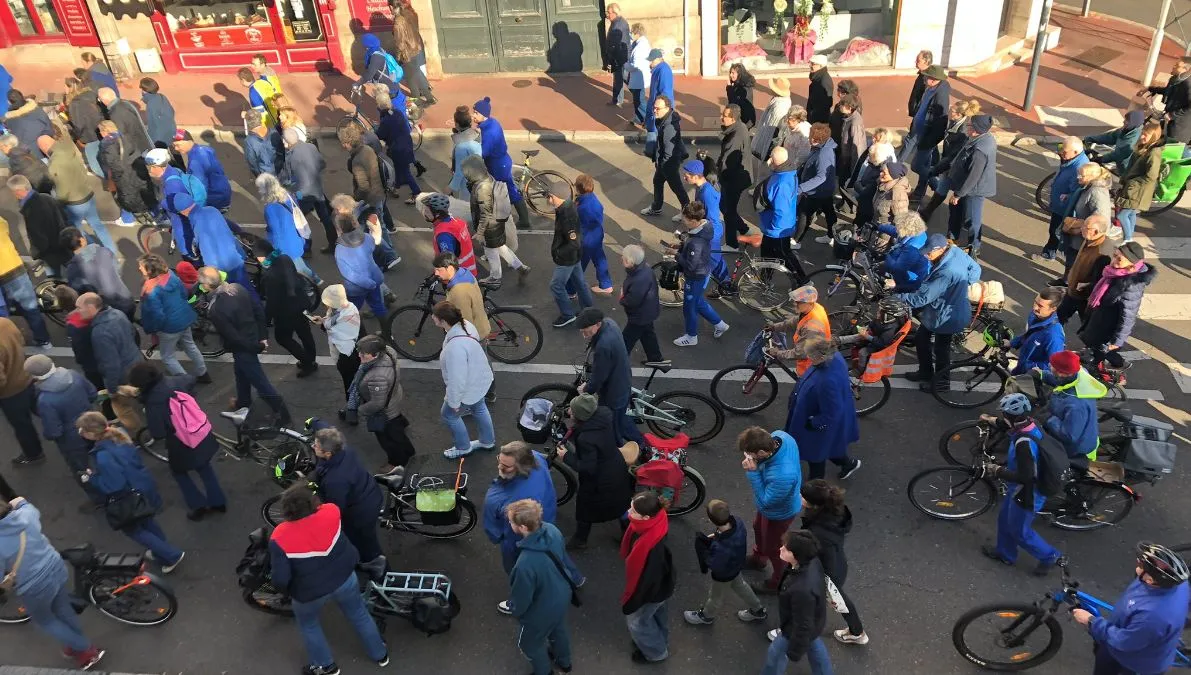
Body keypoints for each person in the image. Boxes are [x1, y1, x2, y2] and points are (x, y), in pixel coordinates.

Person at [268, 485, 389, 675]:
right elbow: (323, 504)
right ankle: (380, 654)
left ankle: (327, 666)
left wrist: (285, 591)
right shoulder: (331, 513)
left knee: (309, 625)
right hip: (345, 578)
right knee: (359, 614)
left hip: (309, 592)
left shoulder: (280, 536)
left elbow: (281, 578)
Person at [0, 496, 106, 669]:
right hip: (55, 567)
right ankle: (74, 645)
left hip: (34, 586)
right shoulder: (25, 515)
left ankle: (86, 649)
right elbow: (21, 501)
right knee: (63, 608)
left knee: (46, 621)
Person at [77, 412, 185, 571]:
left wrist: (92, 478)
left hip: (129, 496)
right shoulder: (120, 436)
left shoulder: (103, 457)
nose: (80, 432)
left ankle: (170, 555)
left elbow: (114, 485)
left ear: (92, 434)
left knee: (134, 530)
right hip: (144, 485)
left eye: (82, 430)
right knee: (148, 521)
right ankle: (160, 550)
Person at [126, 362, 226, 520]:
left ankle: (198, 505)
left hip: (182, 443)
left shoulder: (153, 400)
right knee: (205, 469)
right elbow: (190, 379)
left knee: (179, 472)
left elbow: (157, 432)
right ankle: (218, 502)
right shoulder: (175, 381)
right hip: (201, 431)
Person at [1073, 541, 1190, 675]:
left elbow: (1124, 642)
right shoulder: (1178, 585)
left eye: (1141, 564)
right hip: (1132, 638)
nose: (1137, 562)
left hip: (1131, 663)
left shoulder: (1152, 616)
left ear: (1150, 579)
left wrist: (1091, 621)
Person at [978, 394, 1063, 576]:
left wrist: (997, 470)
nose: (1002, 416)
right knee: (1004, 519)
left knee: (1020, 531)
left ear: (1012, 417)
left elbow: (1026, 476)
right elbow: (1007, 426)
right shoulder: (1030, 423)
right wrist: (990, 420)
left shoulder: (1024, 444)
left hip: (1027, 493)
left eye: (1004, 414)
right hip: (1016, 489)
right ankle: (1005, 553)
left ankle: (1050, 556)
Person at [198, 267, 288, 423]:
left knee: (261, 383)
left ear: (207, 286)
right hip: (252, 337)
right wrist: (262, 337)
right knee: (241, 373)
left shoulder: (215, 308)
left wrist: (256, 347)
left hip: (243, 347)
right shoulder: (238, 288)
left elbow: (233, 337)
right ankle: (243, 401)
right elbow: (258, 310)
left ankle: (283, 414)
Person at [899, 234, 982, 390]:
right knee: (921, 339)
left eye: (929, 253)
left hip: (946, 316)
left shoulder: (946, 271)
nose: (926, 255)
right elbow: (976, 270)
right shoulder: (956, 252)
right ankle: (925, 372)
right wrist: (962, 285)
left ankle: (942, 383)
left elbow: (923, 298)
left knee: (940, 348)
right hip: (949, 309)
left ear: (941, 249)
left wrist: (899, 297)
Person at [505, 498, 575, 675]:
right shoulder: (552, 530)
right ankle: (564, 662)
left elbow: (521, 599)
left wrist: (515, 611)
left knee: (529, 645)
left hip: (541, 609)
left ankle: (544, 672)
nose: (509, 523)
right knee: (557, 629)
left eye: (511, 521)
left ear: (523, 528)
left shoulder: (524, 564)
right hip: (561, 595)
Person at [484, 443, 562, 598]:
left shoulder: (516, 504)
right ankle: (573, 578)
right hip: (547, 518)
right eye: (500, 460)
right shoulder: (535, 457)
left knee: (519, 570)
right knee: (555, 556)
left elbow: (504, 534)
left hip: (517, 541)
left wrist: (498, 537)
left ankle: (521, 596)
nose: (500, 467)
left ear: (521, 466)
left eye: (507, 466)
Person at [557, 394, 634, 548]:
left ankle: (580, 540)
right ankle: (628, 536)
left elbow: (587, 468)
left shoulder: (586, 439)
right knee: (620, 504)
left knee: (586, 507)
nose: (569, 412)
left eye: (572, 411)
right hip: (616, 467)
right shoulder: (603, 416)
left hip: (601, 479)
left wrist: (566, 457)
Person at [307, 421, 386, 563]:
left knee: (365, 542)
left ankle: (377, 568)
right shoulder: (343, 449)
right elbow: (327, 428)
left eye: (317, 446)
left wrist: (315, 491)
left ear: (328, 453)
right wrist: (314, 422)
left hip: (361, 513)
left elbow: (335, 507)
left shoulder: (335, 480)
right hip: (369, 492)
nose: (313, 446)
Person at [784, 336, 861, 482]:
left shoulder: (827, 381)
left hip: (817, 424)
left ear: (821, 356)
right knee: (830, 446)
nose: (808, 358)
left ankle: (815, 485)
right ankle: (847, 464)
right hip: (822, 420)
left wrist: (814, 423)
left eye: (810, 356)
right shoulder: (835, 358)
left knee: (815, 455)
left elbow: (832, 412)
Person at [736, 426, 801, 595]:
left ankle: (777, 582)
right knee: (758, 527)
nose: (748, 457)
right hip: (773, 508)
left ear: (763, 452)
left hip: (780, 513)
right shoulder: (780, 436)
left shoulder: (782, 474)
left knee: (776, 548)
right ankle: (759, 559)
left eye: (751, 454)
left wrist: (753, 473)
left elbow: (766, 502)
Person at [800, 480, 867, 646]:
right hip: (838, 564)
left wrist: (824, 581)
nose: (799, 497)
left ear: (813, 504)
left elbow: (823, 556)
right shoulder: (835, 512)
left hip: (827, 572)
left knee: (808, 601)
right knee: (838, 600)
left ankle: (792, 631)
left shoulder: (819, 531)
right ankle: (856, 631)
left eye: (802, 496)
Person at [24, 355, 97, 501]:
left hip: (72, 440)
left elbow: (54, 431)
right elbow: (93, 394)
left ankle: (97, 497)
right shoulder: (74, 375)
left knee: (81, 469)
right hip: (93, 425)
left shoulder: (45, 400)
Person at [761, 530, 834, 675]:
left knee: (775, 654)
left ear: (797, 556)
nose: (781, 549)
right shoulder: (812, 562)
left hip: (793, 629)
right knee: (813, 641)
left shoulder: (802, 591)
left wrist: (795, 652)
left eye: (787, 549)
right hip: (814, 621)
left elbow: (802, 625)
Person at [684, 498, 767, 626]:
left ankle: (706, 616)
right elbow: (723, 536)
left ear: (712, 520)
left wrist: (705, 551)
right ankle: (758, 609)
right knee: (741, 586)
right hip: (735, 565)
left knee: (715, 596)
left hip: (724, 575)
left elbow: (714, 564)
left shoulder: (722, 549)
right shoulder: (737, 523)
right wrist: (716, 537)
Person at [1078, 242, 1156, 371]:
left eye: (1119, 259)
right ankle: (1098, 362)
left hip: (1108, 326)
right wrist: (1088, 287)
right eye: (1114, 256)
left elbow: (1128, 317)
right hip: (1100, 318)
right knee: (1096, 345)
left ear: (1132, 264)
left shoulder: (1131, 286)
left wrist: (1118, 341)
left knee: (1103, 350)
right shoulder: (1115, 273)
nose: (1113, 261)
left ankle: (1107, 368)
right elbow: (1104, 290)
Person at [432, 301, 496, 459]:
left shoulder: (454, 348)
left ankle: (463, 447)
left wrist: (454, 403)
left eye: (435, 316)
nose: (432, 317)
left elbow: (456, 379)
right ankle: (487, 441)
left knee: (448, 415)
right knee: (479, 408)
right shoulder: (466, 325)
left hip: (468, 386)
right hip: (479, 379)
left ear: (443, 321)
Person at [576, 308, 643, 446]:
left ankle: (624, 449)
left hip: (614, 392)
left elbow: (599, 377)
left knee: (615, 426)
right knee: (621, 418)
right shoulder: (610, 323)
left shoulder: (603, 346)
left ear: (597, 324)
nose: (584, 335)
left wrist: (587, 389)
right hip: (623, 379)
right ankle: (641, 443)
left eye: (585, 331)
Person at [137, 254, 209, 381]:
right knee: (190, 346)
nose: (139, 268)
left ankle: (185, 381)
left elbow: (155, 314)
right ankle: (203, 373)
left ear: (149, 270)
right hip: (185, 318)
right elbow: (184, 294)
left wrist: (152, 329)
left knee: (168, 356)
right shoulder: (171, 276)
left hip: (169, 327)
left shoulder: (150, 290)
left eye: (141, 267)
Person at [622, 491, 675, 664]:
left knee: (637, 622)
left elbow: (647, 580)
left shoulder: (651, 546)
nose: (629, 512)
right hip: (662, 587)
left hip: (651, 592)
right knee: (657, 615)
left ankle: (655, 652)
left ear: (645, 517)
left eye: (633, 511)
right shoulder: (657, 521)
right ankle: (659, 640)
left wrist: (635, 601)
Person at [76, 292, 143, 427]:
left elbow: (110, 365)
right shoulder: (118, 314)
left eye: (79, 308)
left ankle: (142, 436)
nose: (77, 312)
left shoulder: (100, 332)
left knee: (123, 409)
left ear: (91, 308)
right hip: (136, 363)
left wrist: (112, 389)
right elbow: (133, 333)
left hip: (122, 375)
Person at [352, 335, 416, 474]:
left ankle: (396, 462)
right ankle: (409, 451)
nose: (359, 356)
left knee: (388, 439)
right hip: (393, 398)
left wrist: (361, 409)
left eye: (364, 354)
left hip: (386, 411)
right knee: (397, 430)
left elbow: (377, 403)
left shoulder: (377, 376)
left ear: (375, 355)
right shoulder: (388, 352)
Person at [42, 136, 116, 254]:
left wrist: (59, 203)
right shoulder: (68, 150)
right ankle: (111, 250)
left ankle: (92, 255)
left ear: (44, 148)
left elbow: (62, 189)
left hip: (74, 203)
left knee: (77, 233)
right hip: (87, 194)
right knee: (98, 225)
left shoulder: (55, 164)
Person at [669, 201, 729, 346]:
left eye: (685, 219)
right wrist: (681, 247)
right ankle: (719, 324)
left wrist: (676, 254)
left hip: (695, 276)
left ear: (694, 221)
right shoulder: (704, 228)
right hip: (703, 272)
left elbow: (691, 264)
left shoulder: (696, 242)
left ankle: (691, 336)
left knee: (689, 307)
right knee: (698, 301)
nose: (683, 221)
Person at [254, 240, 318, 377]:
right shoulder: (284, 258)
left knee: (282, 337)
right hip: (301, 303)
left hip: (286, 312)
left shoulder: (269, 275)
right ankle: (311, 359)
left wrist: (266, 320)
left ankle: (307, 362)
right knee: (305, 333)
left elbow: (272, 301)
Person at [338, 124, 398, 266]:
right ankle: (390, 251)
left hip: (369, 199)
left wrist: (354, 199)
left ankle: (389, 255)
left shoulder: (357, 160)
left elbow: (363, 186)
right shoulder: (367, 149)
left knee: (368, 227)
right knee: (380, 224)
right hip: (379, 194)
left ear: (347, 143)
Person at [462, 158, 526, 283]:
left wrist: (480, 233)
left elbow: (485, 213)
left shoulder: (482, 189)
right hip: (497, 222)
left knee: (491, 252)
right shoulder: (488, 178)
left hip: (489, 227)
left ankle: (495, 277)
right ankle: (521, 267)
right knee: (501, 247)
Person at [473, 97, 532, 230]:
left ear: (484, 115)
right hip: (501, 161)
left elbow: (484, 152)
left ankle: (523, 220)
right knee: (505, 190)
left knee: (509, 191)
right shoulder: (492, 122)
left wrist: (473, 155)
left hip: (498, 166)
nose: (473, 115)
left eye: (476, 113)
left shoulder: (489, 132)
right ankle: (515, 216)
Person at [919, 99, 981, 222]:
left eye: (952, 110)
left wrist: (937, 168)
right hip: (950, 164)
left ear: (959, 114)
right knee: (943, 187)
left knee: (946, 188)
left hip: (953, 165)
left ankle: (929, 213)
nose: (949, 112)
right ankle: (928, 212)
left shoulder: (962, 132)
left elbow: (952, 155)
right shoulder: (955, 122)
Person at [946, 114, 997, 257]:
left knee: (972, 219)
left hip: (974, 190)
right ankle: (953, 237)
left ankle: (974, 246)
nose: (966, 127)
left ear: (976, 129)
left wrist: (958, 194)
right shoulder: (980, 138)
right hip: (966, 187)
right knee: (956, 210)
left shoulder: (980, 150)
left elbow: (973, 176)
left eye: (969, 125)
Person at [1053, 162, 1113, 282]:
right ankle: (1067, 280)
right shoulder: (1088, 186)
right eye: (1078, 174)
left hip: (1083, 236)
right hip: (1079, 234)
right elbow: (1081, 197)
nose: (1078, 177)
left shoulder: (1097, 192)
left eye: (1082, 175)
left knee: (1075, 261)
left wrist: (1083, 227)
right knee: (1071, 259)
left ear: (1092, 176)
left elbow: (1102, 218)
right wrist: (1070, 197)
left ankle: (1068, 283)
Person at [1041, 350, 1106, 462]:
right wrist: (1041, 375)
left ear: (1061, 373)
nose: (1049, 366)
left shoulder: (1076, 404)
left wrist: (1048, 418)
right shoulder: (1078, 373)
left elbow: (1069, 436)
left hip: (1076, 452)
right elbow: (1061, 381)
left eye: (1052, 366)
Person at [0, 217, 51, 350]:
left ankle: (10, 345)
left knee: (2, 314)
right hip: (14, 268)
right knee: (30, 306)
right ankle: (44, 340)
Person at [280, 128, 334, 253]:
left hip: (302, 193)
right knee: (325, 218)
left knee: (300, 221)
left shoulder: (290, 156)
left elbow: (286, 178)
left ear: (286, 141)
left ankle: (306, 248)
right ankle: (333, 243)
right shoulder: (311, 147)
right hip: (317, 189)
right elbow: (322, 164)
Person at [0, 318, 45, 467]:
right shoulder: (5, 322)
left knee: (22, 426)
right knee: (44, 411)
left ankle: (33, 453)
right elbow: (21, 341)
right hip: (26, 377)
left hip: (10, 393)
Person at [547, 182, 593, 327]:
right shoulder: (566, 206)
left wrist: (558, 252)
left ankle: (567, 315)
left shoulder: (566, 215)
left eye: (550, 196)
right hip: (575, 256)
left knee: (556, 285)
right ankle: (588, 309)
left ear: (557, 197)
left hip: (567, 258)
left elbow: (574, 242)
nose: (548, 200)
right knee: (580, 282)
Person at [257, 173, 318, 282]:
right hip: (297, 238)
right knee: (299, 264)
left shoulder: (270, 208)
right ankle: (316, 281)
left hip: (284, 246)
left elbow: (274, 231)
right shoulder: (288, 196)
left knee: (291, 268)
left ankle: (312, 284)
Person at [756, 147, 806, 282]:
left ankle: (803, 280)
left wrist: (775, 226)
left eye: (771, 157)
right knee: (767, 252)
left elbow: (781, 209)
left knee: (784, 254)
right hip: (775, 226)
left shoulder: (781, 182)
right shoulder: (788, 173)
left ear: (774, 160)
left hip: (777, 228)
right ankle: (764, 279)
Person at [8, 175, 71, 277]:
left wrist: (38, 254)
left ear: (19, 191)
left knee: (55, 280)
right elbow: (64, 217)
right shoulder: (47, 197)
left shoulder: (30, 211)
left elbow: (37, 237)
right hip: (64, 245)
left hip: (50, 253)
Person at [904, 65, 951, 201]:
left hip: (927, 138)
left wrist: (929, 141)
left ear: (934, 79)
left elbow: (941, 121)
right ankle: (919, 193)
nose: (924, 78)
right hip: (921, 133)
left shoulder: (940, 95)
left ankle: (937, 186)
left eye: (926, 76)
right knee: (924, 164)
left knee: (917, 166)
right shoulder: (930, 89)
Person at [331, 211, 388, 322]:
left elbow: (348, 274)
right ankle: (387, 334)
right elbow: (372, 247)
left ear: (339, 229)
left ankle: (360, 335)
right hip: (374, 279)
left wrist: (367, 284)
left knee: (352, 312)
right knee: (378, 306)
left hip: (356, 288)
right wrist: (371, 283)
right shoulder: (366, 237)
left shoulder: (340, 249)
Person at [682, 159, 730, 290]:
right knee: (716, 260)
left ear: (696, 176)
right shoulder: (702, 188)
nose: (684, 176)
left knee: (711, 262)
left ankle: (722, 285)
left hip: (711, 232)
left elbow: (709, 216)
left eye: (687, 175)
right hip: (710, 230)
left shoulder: (706, 192)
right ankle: (726, 284)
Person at [62, 227, 132, 316]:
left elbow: (79, 291)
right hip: (126, 298)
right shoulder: (104, 251)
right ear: (82, 240)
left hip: (108, 310)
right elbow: (117, 269)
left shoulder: (72, 269)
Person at [836, 296, 912, 378]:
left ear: (889, 316)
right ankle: (838, 340)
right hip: (875, 336)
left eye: (881, 312)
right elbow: (873, 324)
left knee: (862, 352)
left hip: (878, 345)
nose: (878, 313)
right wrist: (867, 329)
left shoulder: (890, 330)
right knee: (858, 336)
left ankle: (859, 371)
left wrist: (867, 337)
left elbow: (881, 343)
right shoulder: (884, 321)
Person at [1057, 215, 1111, 327]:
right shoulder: (1089, 239)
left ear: (1095, 232)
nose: (1081, 228)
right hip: (1073, 291)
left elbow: (1100, 281)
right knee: (1058, 318)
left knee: (1087, 327)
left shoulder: (1102, 254)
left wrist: (1084, 287)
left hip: (1084, 297)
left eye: (1085, 227)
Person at [1114, 121, 1164, 242]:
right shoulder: (1143, 148)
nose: (1142, 136)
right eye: (1142, 133)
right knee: (1130, 214)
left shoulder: (1153, 153)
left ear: (1153, 137)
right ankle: (1129, 238)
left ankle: (1127, 239)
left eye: (1145, 135)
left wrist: (1133, 182)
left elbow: (1151, 176)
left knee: (1123, 215)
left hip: (1138, 191)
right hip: (1133, 188)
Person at [640, 95, 690, 217]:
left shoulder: (669, 127)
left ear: (667, 108)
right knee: (657, 181)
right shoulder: (665, 119)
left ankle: (687, 211)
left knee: (677, 188)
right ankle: (657, 207)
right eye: (654, 108)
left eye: (658, 108)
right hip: (664, 161)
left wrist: (661, 165)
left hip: (668, 163)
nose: (655, 110)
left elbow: (669, 151)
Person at [99, 122, 156, 226]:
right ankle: (155, 214)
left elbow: (112, 164)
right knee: (143, 192)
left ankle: (127, 219)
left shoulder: (107, 145)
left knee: (125, 196)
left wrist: (114, 180)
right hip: (137, 169)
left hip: (124, 175)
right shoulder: (126, 136)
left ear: (105, 131)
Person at [766, 284, 830, 377]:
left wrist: (778, 353)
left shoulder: (811, 328)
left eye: (799, 302)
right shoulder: (814, 308)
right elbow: (797, 320)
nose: (795, 303)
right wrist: (775, 327)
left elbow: (800, 353)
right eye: (795, 301)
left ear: (809, 303)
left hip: (810, 368)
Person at [619, 245, 667, 366]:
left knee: (626, 341)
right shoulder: (644, 269)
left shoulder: (638, 278)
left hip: (639, 315)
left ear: (630, 261)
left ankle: (617, 365)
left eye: (624, 257)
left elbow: (633, 301)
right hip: (647, 312)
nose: (621, 258)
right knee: (647, 334)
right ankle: (655, 358)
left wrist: (622, 298)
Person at [1042, 137, 1089, 260]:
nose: (1061, 153)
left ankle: (1050, 253)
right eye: (1061, 149)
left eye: (1065, 151)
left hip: (1064, 209)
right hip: (1059, 205)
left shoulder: (1079, 168)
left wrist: (1067, 197)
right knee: (1055, 231)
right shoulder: (1071, 159)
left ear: (1075, 152)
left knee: (1056, 231)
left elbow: (1077, 192)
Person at [314, 284, 362, 399]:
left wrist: (324, 324)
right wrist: (323, 322)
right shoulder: (350, 308)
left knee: (350, 383)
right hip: (355, 352)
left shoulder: (338, 319)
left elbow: (334, 330)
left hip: (348, 357)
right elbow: (334, 324)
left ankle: (352, 408)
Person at [374, 92, 421, 202]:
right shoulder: (397, 113)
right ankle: (396, 187)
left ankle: (416, 193)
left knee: (405, 172)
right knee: (399, 169)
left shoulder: (385, 120)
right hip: (407, 145)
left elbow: (380, 134)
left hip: (397, 149)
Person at [170, 130, 233, 212]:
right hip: (223, 194)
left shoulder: (195, 162)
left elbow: (200, 190)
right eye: (174, 146)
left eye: (178, 145)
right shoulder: (204, 149)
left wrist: (195, 211)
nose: (176, 149)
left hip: (214, 200)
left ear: (188, 141)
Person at [432, 252, 491, 338]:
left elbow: (464, 322)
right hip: (481, 325)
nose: (436, 273)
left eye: (439, 270)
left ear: (450, 268)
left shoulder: (458, 292)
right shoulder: (464, 273)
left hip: (474, 336)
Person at [1008, 288, 1065, 376]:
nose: (1035, 308)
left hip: (1032, 377)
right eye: (1035, 302)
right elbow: (1029, 335)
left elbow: (1053, 366)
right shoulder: (1035, 315)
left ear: (1053, 308)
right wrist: (1011, 343)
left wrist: (1028, 366)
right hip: (1021, 369)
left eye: (1040, 306)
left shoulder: (1054, 335)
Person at [718, 104, 753, 246]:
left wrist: (716, 174)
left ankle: (732, 244)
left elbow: (727, 162)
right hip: (737, 177)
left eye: (724, 116)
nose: (721, 118)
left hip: (734, 179)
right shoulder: (738, 128)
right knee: (725, 206)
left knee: (728, 211)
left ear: (733, 119)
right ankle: (743, 229)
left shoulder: (735, 136)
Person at [799, 123, 839, 245]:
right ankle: (832, 235)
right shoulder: (821, 148)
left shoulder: (823, 153)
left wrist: (801, 188)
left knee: (804, 214)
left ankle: (796, 240)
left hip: (817, 191)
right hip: (824, 189)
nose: (811, 140)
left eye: (814, 139)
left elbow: (821, 177)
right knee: (828, 211)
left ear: (821, 139)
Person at [574, 174, 612, 294]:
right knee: (599, 259)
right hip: (596, 234)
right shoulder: (593, 199)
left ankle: (571, 290)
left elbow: (578, 223)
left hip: (587, 239)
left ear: (579, 189)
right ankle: (605, 284)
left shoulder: (583, 207)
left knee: (578, 265)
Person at [392, 0, 434, 103]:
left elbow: (400, 43)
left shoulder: (398, 23)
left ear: (393, 8)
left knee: (411, 80)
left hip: (407, 54)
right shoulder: (410, 15)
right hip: (416, 48)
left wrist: (398, 58)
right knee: (418, 74)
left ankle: (417, 102)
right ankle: (430, 98)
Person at [878, 211, 930, 293]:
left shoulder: (914, 245)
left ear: (907, 227)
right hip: (908, 269)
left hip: (911, 277)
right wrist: (879, 226)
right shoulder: (912, 231)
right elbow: (895, 231)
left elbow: (900, 266)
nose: (898, 228)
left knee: (893, 288)